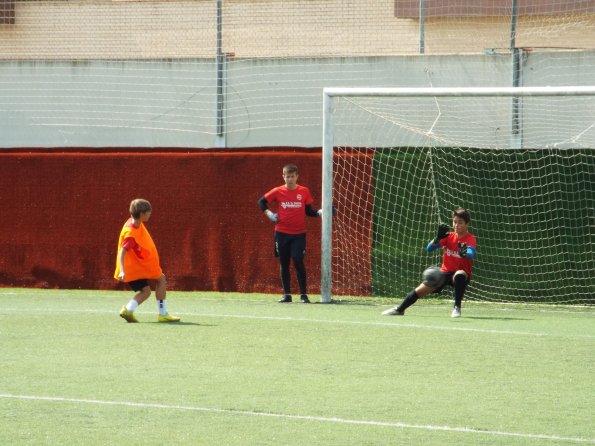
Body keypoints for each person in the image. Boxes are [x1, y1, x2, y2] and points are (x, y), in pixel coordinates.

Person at [382, 207, 477, 318]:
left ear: (467, 224)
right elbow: (429, 248)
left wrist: (464, 252)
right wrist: (437, 238)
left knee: (460, 274)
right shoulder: (449, 236)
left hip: (461, 274)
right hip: (444, 273)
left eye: (460, 222)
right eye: (455, 222)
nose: (456, 225)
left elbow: (471, 254)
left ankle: (457, 308)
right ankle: (400, 309)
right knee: (420, 290)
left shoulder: (470, 238)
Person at [258, 163, 322, 303]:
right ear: (283, 177)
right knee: (284, 262)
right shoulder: (277, 191)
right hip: (281, 234)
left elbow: (307, 211)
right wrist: (269, 214)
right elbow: (261, 202)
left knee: (298, 260)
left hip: (299, 234)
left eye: (292, 176)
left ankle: (304, 295)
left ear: (297, 177)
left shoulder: (304, 191)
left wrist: (318, 213)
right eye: (287, 176)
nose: (290, 179)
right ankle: (287, 294)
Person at [115, 198, 180, 323]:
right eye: (149, 212)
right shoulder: (130, 234)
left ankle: (128, 310)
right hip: (135, 268)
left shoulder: (134, 222)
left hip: (137, 267)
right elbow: (122, 252)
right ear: (142, 214)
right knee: (161, 279)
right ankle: (162, 314)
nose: (150, 214)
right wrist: (122, 271)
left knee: (146, 291)